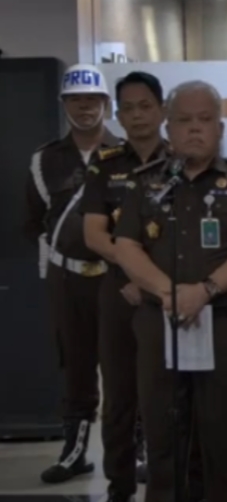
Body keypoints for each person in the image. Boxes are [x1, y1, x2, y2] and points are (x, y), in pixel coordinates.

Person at [114, 80, 227, 502]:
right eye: (184, 120)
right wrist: (167, 292)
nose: (194, 128)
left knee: (226, 438)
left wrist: (205, 290)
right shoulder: (144, 182)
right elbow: (126, 245)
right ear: (168, 128)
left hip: (225, 324)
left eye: (205, 119)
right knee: (164, 436)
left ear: (220, 128)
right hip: (160, 322)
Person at [23, 63, 121, 484]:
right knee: (76, 364)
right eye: (76, 100)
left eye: (93, 99)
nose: (85, 107)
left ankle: (134, 449)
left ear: (106, 103)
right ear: (64, 104)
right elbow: (35, 221)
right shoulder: (44, 159)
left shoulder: (126, 154)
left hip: (118, 276)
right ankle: (74, 452)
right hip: (68, 279)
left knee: (125, 364)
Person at [80, 71, 167, 501]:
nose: (137, 116)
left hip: (166, 296)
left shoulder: (180, 160)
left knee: (165, 395)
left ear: (162, 110)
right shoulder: (106, 163)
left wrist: (148, 280)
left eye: (145, 106)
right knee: (118, 399)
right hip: (118, 293)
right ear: (118, 113)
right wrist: (134, 272)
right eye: (128, 108)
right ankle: (119, 485)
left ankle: (166, 481)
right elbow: (94, 235)